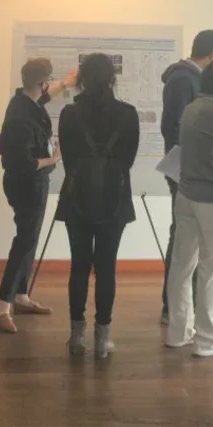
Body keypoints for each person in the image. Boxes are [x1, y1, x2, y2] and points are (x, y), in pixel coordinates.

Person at [55, 53, 139, 358]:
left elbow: (66, 158)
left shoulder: (68, 114)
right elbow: (127, 161)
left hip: (77, 197)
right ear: (112, 78)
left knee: (79, 265)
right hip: (114, 199)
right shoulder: (128, 114)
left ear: (81, 79)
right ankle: (103, 338)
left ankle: (77, 335)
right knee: (106, 267)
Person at [0, 58, 75, 333]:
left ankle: (20, 295)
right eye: (50, 82)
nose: (50, 87)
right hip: (27, 183)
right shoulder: (21, 117)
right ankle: (3, 306)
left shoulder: (23, 102)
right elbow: (23, 161)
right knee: (25, 240)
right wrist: (52, 160)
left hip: (29, 182)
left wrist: (65, 83)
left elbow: (42, 99)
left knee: (29, 238)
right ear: (41, 83)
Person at [165, 59, 213, 357]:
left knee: (183, 264)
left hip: (185, 194)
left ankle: (178, 332)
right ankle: (208, 340)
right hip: (212, 199)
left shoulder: (191, 108)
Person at [160, 29, 213, 324]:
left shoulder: (186, 79)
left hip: (191, 172)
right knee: (187, 250)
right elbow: (173, 128)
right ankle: (176, 313)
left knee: (189, 248)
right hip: (190, 173)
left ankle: (182, 317)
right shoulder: (184, 79)